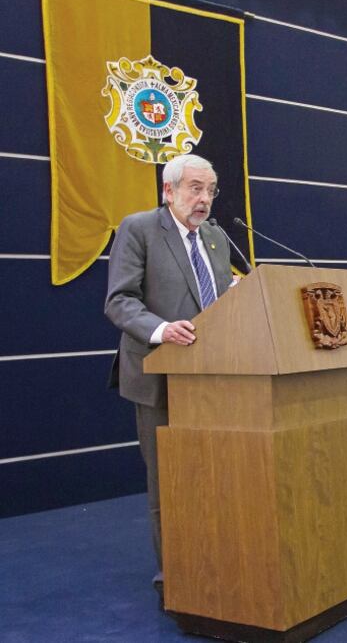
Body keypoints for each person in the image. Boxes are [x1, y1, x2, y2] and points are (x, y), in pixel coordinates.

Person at [104, 154, 233, 603]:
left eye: (210, 190)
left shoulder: (216, 237)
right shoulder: (139, 229)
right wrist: (161, 330)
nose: (204, 199)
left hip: (216, 379)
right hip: (159, 376)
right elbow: (120, 300)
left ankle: (219, 558)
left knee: (216, 475)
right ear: (168, 190)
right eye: (195, 188)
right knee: (169, 480)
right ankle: (173, 575)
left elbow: (220, 299)